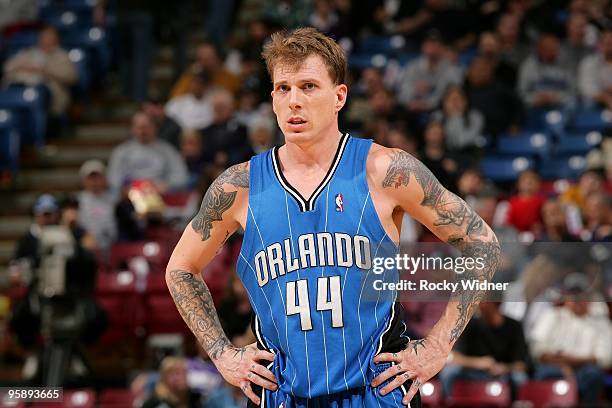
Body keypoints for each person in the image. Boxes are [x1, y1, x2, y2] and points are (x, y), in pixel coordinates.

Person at [166, 28, 500, 407]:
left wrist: (439, 345)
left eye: (308, 86)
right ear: (272, 98)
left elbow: (483, 244)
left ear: (339, 96)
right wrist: (222, 354)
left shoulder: (385, 170)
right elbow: (180, 268)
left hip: (376, 392)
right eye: (283, 88)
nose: (294, 101)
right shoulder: (239, 187)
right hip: (283, 394)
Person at [439, 302, 529, 397]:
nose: (478, 304)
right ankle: (449, 402)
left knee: (519, 378)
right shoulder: (470, 324)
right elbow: (455, 357)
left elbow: (522, 365)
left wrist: (504, 368)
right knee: (449, 372)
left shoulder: (514, 326)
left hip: (504, 375)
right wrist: (480, 363)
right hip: (474, 373)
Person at [2, 26, 77, 116]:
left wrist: (45, 71)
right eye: (44, 36)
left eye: (51, 37)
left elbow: (71, 77)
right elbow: (7, 67)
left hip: (48, 90)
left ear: (56, 39)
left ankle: (37, 128)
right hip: (19, 85)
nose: (47, 39)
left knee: (38, 96)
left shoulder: (62, 56)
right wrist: (24, 68)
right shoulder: (27, 52)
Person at [107, 111, 188, 193]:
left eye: (146, 127)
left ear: (155, 127)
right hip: (130, 197)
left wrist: (167, 185)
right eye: (139, 127)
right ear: (133, 129)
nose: (143, 131)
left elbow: (180, 176)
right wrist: (125, 188)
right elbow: (113, 177)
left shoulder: (168, 150)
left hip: (161, 196)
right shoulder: (121, 151)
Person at [517, 33, 575, 109]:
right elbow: (521, 93)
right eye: (548, 49)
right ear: (540, 49)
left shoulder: (566, 64)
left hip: (560, 106)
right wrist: (534, 99)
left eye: (554, 49)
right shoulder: (529, 65)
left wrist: (558, 98)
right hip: (534, 107)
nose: (552, 52)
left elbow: (574, 91)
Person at [77, 160, 118, 253]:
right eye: (91, 178)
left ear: (104, 179)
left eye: (98, 178)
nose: (95, 182)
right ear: (84, 181)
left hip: (113, 246)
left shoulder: (115, 200)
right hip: (86, 249)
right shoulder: (77, 201)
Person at [578, 28, 612, 109]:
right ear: (600, 45)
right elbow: (587, 89)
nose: (610, 47)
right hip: (595, 106)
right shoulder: (589, 62)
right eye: (608, 43)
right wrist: (606, 97)